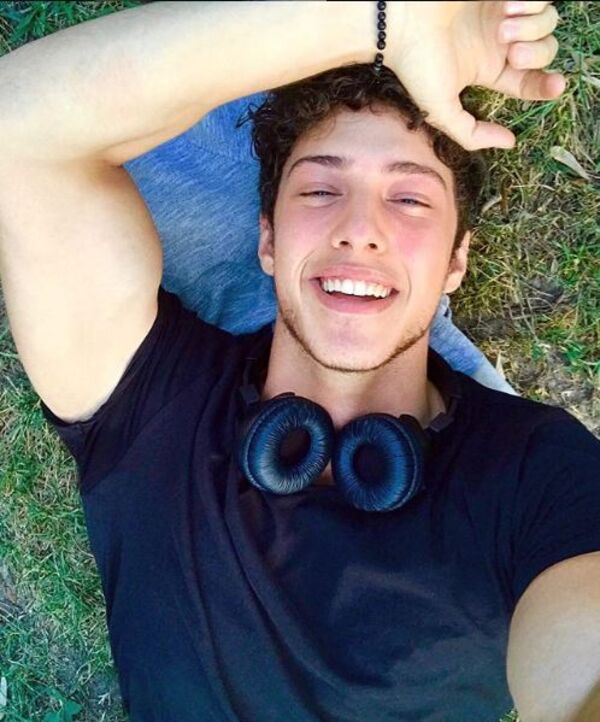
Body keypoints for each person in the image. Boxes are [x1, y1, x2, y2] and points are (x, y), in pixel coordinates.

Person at [0, 2, 599, 722]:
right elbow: (17, 124)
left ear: (454, 263)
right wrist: (386, 22)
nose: (360, 230)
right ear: (268, 242)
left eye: (410, 198)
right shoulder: (150, 403)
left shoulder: (535, 473)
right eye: (319, 190)